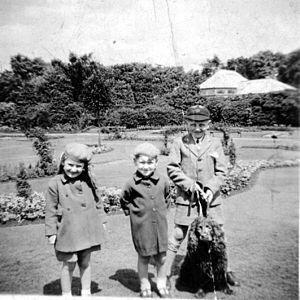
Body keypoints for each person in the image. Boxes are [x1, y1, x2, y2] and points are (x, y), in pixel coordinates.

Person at [164, 105, 240, 288]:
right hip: (187, 200)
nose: (197, 129)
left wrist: (210, 188)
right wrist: (190, 185)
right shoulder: (178, 142)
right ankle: (165, 272)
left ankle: (225, 270)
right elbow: (172, 168)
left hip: (211, 200)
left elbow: (222, 170)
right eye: (193, 124)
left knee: (219, 235)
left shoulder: (215, 143)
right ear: (187, 123)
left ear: (209, 124)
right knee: (178, 234)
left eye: (202, 125)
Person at [45, 143, 107, 297]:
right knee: (69, 264)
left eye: (78, 166)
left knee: (85, 262)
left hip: (87, 228)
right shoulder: (55, 183)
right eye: (70, 165)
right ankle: (67, 294)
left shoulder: (88, 182)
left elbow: (98, 202)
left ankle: (86, 292)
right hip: (68, 231)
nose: (74, 170)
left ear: (84, 167)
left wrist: (102, 221)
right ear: (63, 162)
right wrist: (51, 232)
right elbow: (50, 209)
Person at [120, 142, 171, 298]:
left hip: (160, 226)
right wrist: (137, 215)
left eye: (150, 162)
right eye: (142, 162)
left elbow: (167, 197)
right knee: (144, 257)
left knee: (161, 257)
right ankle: (144, 285)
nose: (146, 166)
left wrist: (160, 212)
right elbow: (124, 200)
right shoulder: (130, 184)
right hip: (141, 227)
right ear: (135, 162)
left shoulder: (163, 180)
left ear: (156, 162)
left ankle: (161, 283)